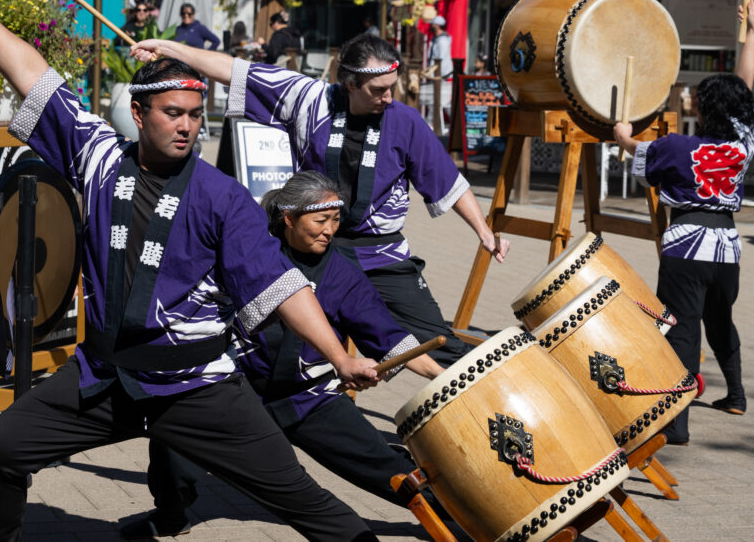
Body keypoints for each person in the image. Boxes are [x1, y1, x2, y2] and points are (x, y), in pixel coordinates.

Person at [0, 0, 382, 541]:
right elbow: (31, 72)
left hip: (197, 383)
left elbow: (283, 286)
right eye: (172, 112)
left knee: (303, 500)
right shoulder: (95, 157)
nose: (187, 125)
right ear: (139, 114)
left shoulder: (222, 197)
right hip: (107, 375)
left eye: (194, 113)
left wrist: (339, 356)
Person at [130, 34, 510, 368]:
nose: (389, 97)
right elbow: (235, 70)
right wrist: (169, 49)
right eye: (378, 90)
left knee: (438, 344)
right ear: (348, 83)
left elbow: (449, 181)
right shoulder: (309, 99)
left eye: (392, 87)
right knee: (274, 339)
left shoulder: (405, 121)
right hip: (312, 249)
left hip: (384, 255)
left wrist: (483, 232)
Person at [124, 171, 447, 538]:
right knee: (171, 440)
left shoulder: (342, 273)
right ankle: (170, 514)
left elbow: (387, 335)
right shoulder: (248, 252)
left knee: (384, 466)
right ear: (289, 218)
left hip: (310, 398)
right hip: (237, 391)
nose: (330, 230)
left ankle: (461, 515)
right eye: (321, 220)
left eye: (336, 220)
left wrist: (442, 376)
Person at [614, 0, 754, 446]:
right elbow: (743, 92)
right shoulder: (742, 146)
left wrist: (622, 131)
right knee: (720, 320)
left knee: (680, 329)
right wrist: (752, 34)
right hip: (727, 247)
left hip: (687, 246)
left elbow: (632, 148)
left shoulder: (675, 147)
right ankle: (735, 395)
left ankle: (676, 424)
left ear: (704, 108)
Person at [427, 15, 453, 80]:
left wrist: (438, 75)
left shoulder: (443, 41)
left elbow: (442, 59)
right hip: (434, 74)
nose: (431, 26)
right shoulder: (435, 39)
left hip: (441, 76)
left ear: (437, 26)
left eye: (433, 24)